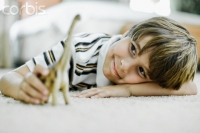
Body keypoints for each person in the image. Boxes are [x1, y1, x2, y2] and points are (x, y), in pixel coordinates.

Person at [0, 17, 198, 104]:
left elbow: (190, 87)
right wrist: (20, 88)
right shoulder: (77, 50)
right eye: (132, 49)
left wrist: (125, 90)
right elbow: (9, 77)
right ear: (128, 32)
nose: (125, 65)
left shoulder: (144, 74)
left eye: (142, 71)